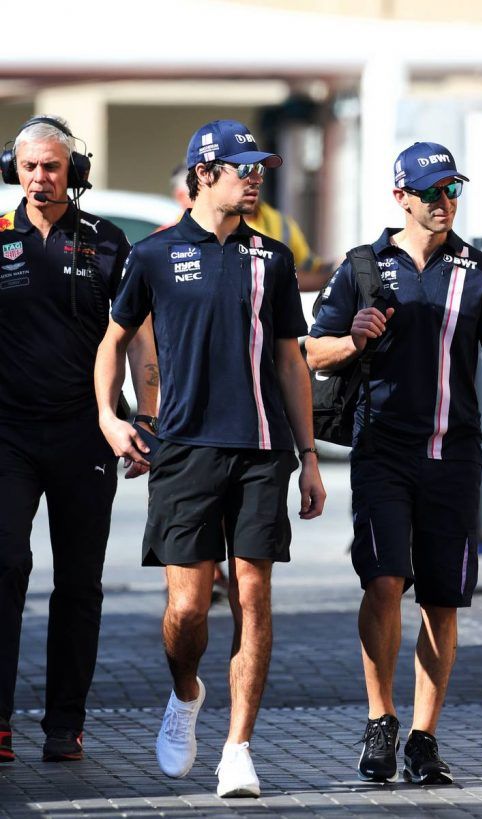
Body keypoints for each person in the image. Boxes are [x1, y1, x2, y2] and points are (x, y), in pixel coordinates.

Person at [95, 118, 326, 797]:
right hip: (183, 449)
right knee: (188, 610)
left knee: (252, 591)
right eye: (241, 166)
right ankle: (186, 692)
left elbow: (290, 358)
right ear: (204, 173)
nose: (254, 176)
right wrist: (109, 416)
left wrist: (308, 455)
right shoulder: (155, 254)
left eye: (258, 167)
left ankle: (238, 748)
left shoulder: (272, 257)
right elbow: (113, 341)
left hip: (261, 449)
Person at [306, 141, 482, 785]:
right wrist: (355, 338)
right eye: (431, 192)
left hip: (455, 456)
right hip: (384, 454)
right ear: (401, 196)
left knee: (442, 598)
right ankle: (381, 719)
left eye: (451, 190)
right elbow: (312, 353)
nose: (444, 203)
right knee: (382, 582)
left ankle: (425, 738)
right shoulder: (361, 268)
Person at [0, 116, 157, 765]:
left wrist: (144, 417)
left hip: (85, 432)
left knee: (79, 584)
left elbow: (139, 336)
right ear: (16, 169)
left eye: (53, 166)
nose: (41, 178)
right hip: (7, 434)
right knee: (5, 566)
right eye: (31, 166)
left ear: (75, 172)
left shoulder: (108, 242)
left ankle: (66, 722)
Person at [162, 163, 332, 292]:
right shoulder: (169, 238)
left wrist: (337, 272)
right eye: (243, 170)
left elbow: (311, 268)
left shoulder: (279, 221)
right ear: (205, 177)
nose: (256, 180)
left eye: (258, 169)